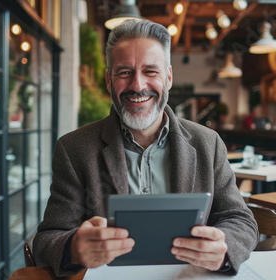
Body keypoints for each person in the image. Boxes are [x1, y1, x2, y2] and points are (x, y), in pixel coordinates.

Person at [33, 19, 258, 278]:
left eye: (150, 71)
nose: (138, 86)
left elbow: (241, 220)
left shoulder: (208, 143)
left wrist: (224, 246)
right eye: (124, 72)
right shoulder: (74, 149)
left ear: (169, 77)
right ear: (109, 80)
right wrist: (73, 249)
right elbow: (46, 241)